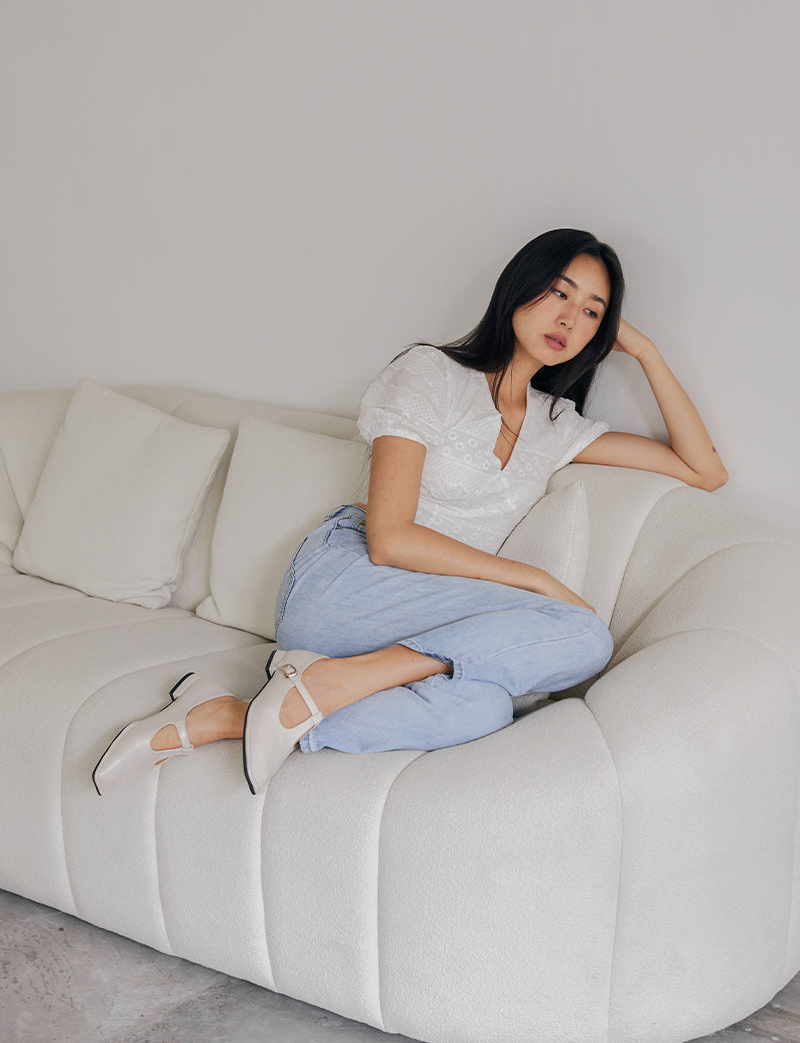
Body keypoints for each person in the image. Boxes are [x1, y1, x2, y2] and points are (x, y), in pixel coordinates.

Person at [93, 228, 727, 797]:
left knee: (481, 712)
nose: (571, 318)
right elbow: (390, 539)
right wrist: (535, 580)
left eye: (592, 311)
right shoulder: (428, 373)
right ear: (519, 289)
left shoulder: (557, 426)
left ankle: (231, 712)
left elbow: (705, 471)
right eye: (561, 293)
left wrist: (645, 352)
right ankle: (325, 681)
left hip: (427, 619)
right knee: (584, 633)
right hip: (346, 588)